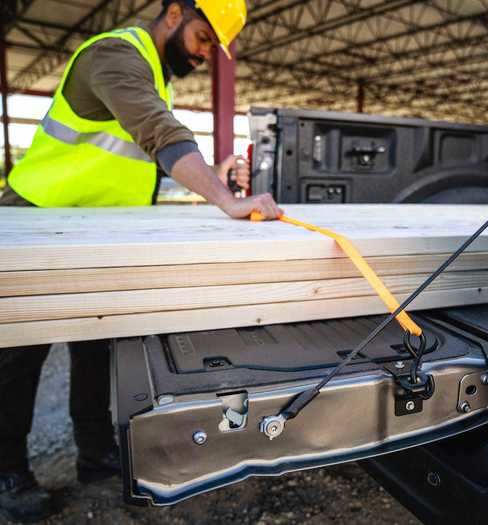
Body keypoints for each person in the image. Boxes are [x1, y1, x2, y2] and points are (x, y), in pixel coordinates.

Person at [0, 1, 282, 521]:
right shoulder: (114, 56)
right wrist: (226, 199)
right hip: (38, 221)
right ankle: (7, 471)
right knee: (18, 357)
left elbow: (133, 165)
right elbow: (158, 132)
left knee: (96, 346)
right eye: (202, 38)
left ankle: (94, 455)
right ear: (174, 14)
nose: (203, 55)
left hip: (95, 231)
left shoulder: (157, 74)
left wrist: (213, 176)